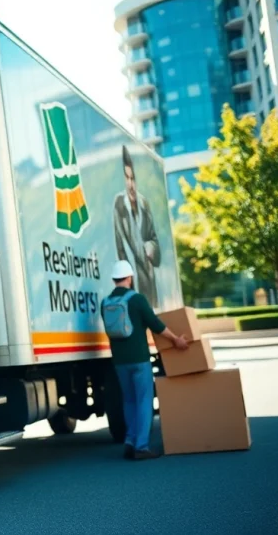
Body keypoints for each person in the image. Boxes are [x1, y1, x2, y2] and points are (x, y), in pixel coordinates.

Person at [101, 260, 188, 460]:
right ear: (130, 277)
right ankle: (141, 446)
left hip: (119, 361)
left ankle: (130, 441)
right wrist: (176, 340)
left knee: (129, 400)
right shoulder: (137, 299)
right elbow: (156, 324)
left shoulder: (105, 302)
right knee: (143, 401)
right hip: (139, 359)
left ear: (114, 279)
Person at [113, 145, 161, 308]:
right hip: (133, 282)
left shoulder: (143, 202)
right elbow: (120, 247)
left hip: (149, 278)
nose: (130, 184)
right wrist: (128, 284)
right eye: (127, 178)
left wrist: (151, 248)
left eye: (133, 178)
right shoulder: (119, 204)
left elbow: (154, 238)